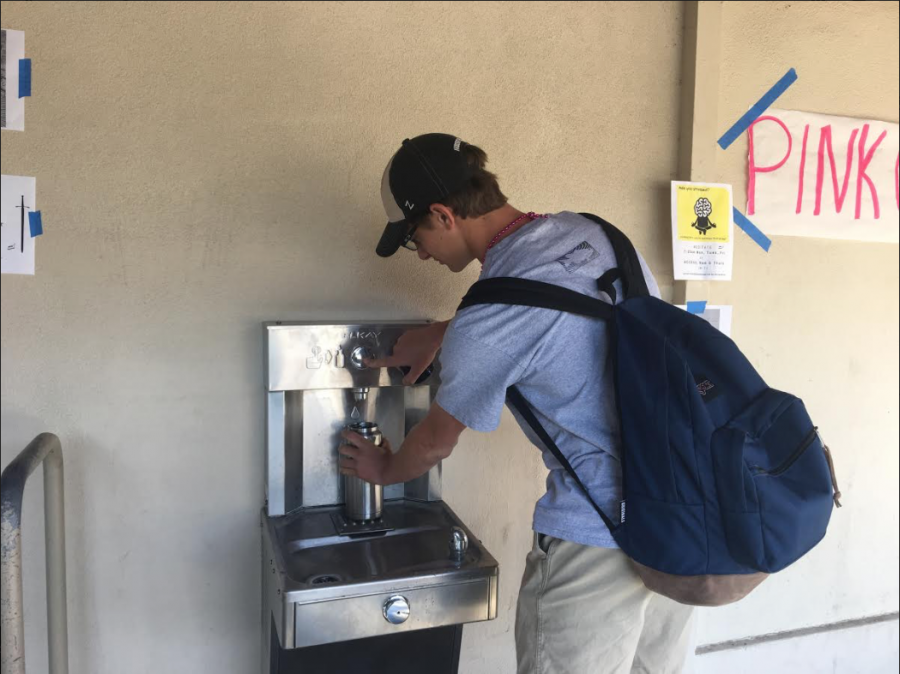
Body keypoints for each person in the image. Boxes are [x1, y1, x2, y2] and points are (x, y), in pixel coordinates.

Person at [338, 133, 694, 674]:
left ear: (442, 214)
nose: (424, 254)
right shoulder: (593, 233)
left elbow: (434, 442)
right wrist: (446, 329)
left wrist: (384, 469)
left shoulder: (487, 322)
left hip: (599, 536)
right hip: (682, 514)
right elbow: (564, 313)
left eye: (416, 239)